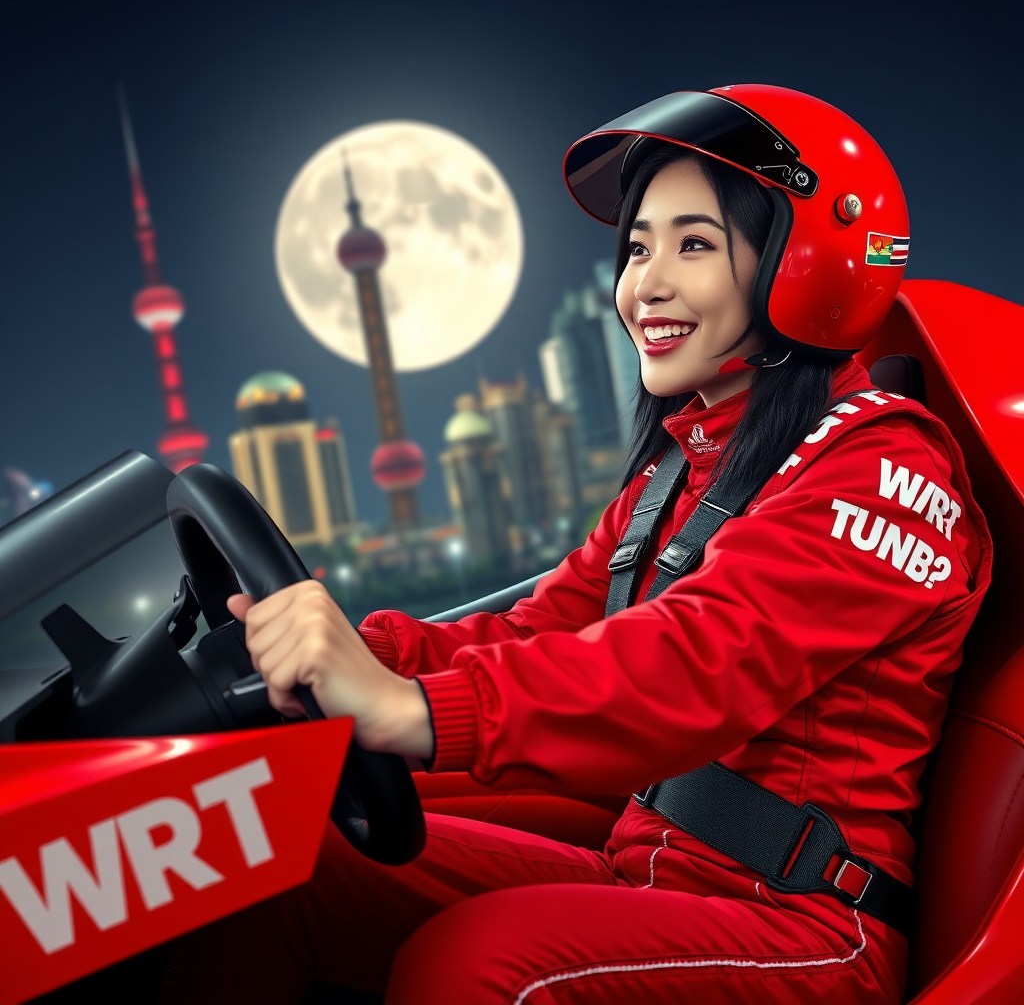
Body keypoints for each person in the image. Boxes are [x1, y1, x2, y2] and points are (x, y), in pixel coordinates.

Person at [161, 85, 991, 1005]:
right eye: (638, 247)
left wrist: (414, 712)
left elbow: (693, 665)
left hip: (803, 929)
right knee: (257, 860)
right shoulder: (686, 467)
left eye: (694, 244)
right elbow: (538, 631)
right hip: (648, 867)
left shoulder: (883, 472)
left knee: (476, 964)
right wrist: (355, 653)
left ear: (806, 264)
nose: (647, 285)